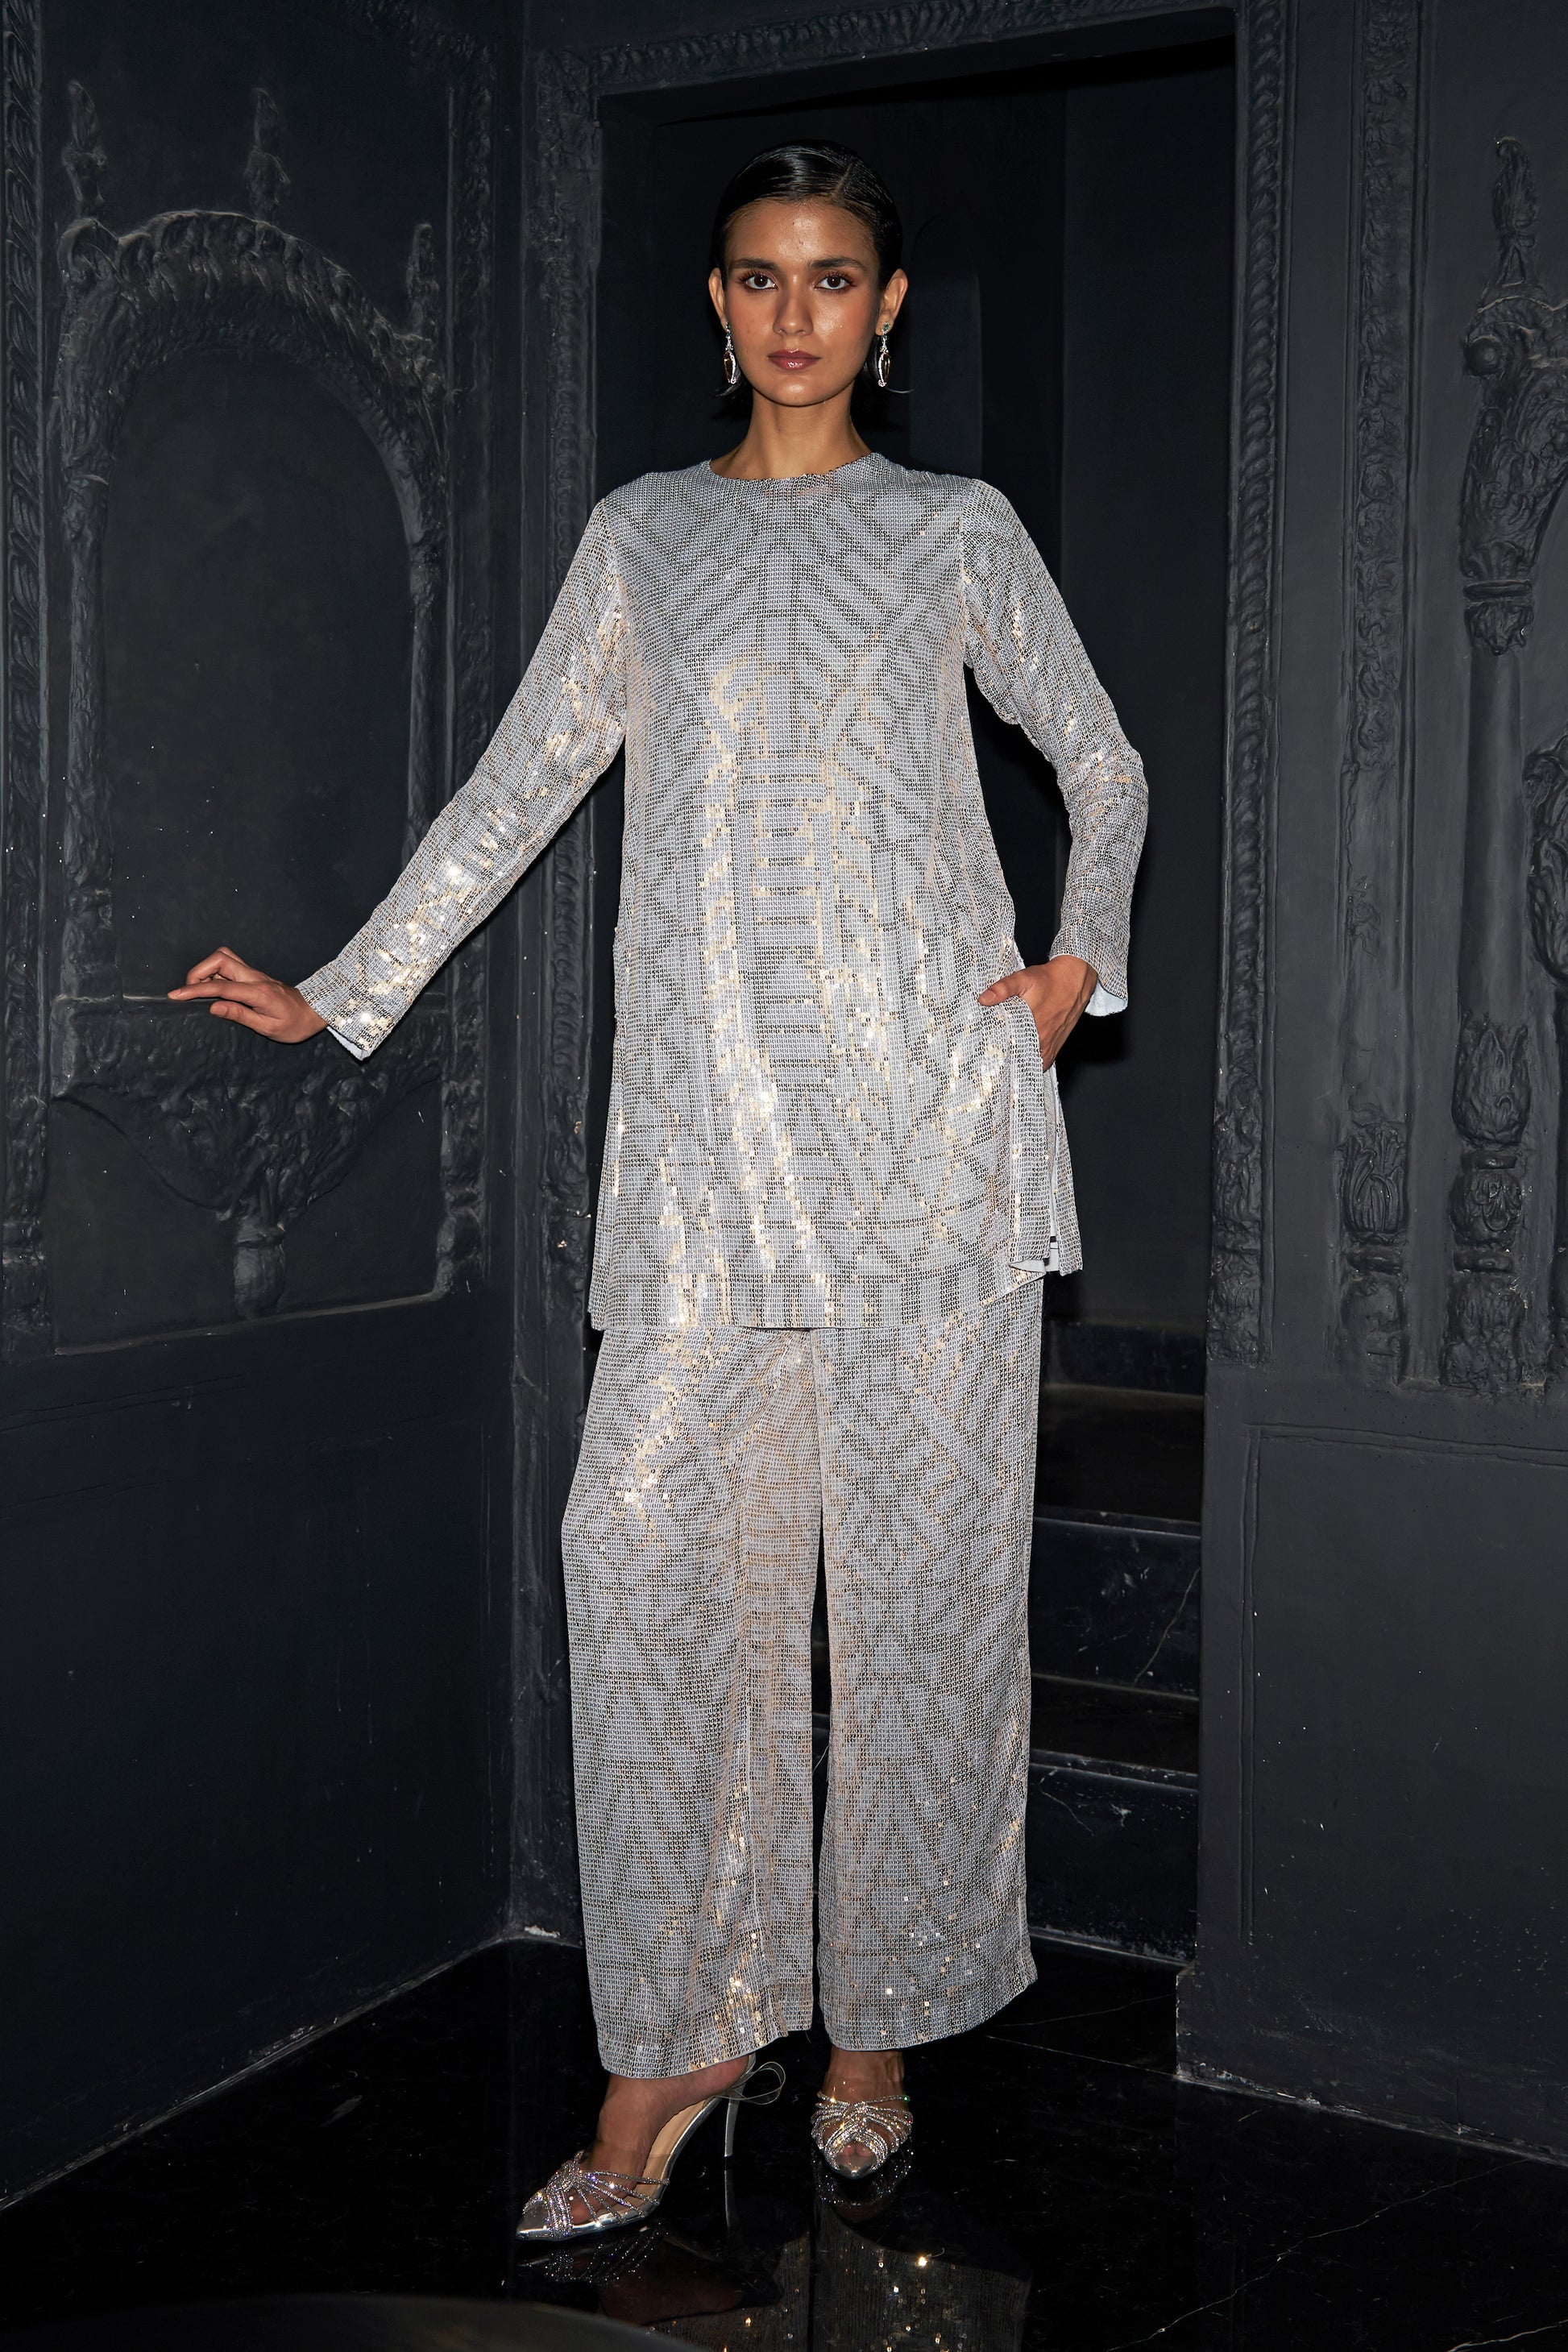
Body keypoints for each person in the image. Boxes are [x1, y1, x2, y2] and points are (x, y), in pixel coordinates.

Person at [172, 139, 1147, 2241]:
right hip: (709, 1159)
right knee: (638, 1563)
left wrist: (1079, 965)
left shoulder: (952, 530)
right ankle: (682, 2040)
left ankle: (878, 2026)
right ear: (717, 304)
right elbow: (517, 784)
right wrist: (343, 991)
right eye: (758, 276)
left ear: (886, 308)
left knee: (916, 1606)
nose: (795, 312)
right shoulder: (644, 537)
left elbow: (1103, 759)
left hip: (926, 1148)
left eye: (833, 276)